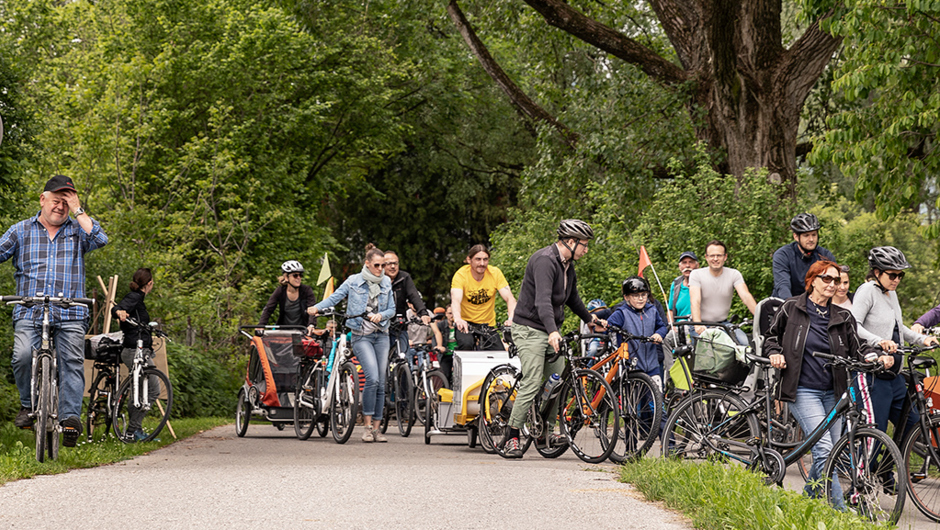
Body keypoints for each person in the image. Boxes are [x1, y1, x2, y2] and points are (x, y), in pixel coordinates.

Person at [0, 175, 108, 446]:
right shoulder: (20, 230)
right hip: (29, 311)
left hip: (70, 312)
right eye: (56, 200)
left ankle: (70, 419)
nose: (60, 206)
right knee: (23, 356)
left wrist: (78, 209)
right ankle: (28, 405)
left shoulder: (77, 231)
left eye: (66, 201)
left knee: (72, 362)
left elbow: (101, 238)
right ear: (42, 199)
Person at [765, 260, 879, 504]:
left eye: (836, 280)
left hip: (834, 393)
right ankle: (839, 513)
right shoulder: (791, 308)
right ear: (812, 281)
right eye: (826, 278)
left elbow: (857, 347)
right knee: (825, 451)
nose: (833, 284)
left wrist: (874, 355)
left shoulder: (843, 316)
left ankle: (804, 503)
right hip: (802, 390)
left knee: (830, 454)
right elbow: (771, 337)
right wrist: (775, 353)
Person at [503, 219, 604, 458]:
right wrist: (552, 331)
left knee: (556, 380)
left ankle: (543, 431)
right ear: (571, 242)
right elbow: (543, 301)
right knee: (534, 378)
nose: (586, 250)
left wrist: (590, 319)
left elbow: (573, 298)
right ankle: (512, 435)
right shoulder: (544, 261)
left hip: (549, 329)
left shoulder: (567, 265)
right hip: (529, 329)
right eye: (584, 245)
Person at [852, 246, 938, 443]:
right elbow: (853, 326)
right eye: (892, 275)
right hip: (875, 376)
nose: (897, 280)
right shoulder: (867, 291)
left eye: (901, 275)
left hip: (895, 375)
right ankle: (870, 472)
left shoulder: (892, 294)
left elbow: (900, 328)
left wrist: (922, 339)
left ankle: (888, 469)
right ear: (877, 272)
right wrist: (879, 341)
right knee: (877, 434)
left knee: (912, 425)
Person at [310, 244, 395, 443]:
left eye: (383, 266)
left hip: (382, 334)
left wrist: (381, 315)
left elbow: (391, 309)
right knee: (372, 378)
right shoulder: (353, 281)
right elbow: (334, 298)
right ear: (367, 264)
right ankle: (365, 427)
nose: (380, 270)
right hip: (361, 335)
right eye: (377, 265)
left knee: (382, 382)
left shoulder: (387, 283)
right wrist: (316, 308)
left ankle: (376, 428)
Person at [111, 268, 162, 442]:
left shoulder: (139, 299)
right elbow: (118, 308)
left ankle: (135, 431)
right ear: (150, 283)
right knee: (153, 389)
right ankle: (133, 431)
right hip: (135, 351)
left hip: (138, 350)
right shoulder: (135, 297)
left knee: (139, 392)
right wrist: (119, 312)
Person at [689, 240, 757, 345]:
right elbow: (695, 301)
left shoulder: (734, 274)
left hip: (724, 324)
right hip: (701, 324)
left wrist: (760, 317)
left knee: (744, 343)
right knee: (706, 351)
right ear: (706, 257)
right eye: (712, 256)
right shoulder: (696, 274)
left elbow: (746, 297)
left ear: (725, 257)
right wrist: (697, 325)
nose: (715, 259)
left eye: (719, 255)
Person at [450, 244, 516, 351]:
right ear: (469, 260)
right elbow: (456, 300)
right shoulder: (461, 275)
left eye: (485, 259)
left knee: (499, 353)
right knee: (466, 344)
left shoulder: (495, 273)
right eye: (478, 259)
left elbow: (510, 298)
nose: (482, 263)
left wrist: (511, 318)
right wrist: (458, 319)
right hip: (466, 323)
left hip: (487, 324)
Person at [607, 277, 668, 390]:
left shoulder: (652, 310)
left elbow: (662, 326)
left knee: (656, 398)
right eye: (635, 296)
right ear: (626, 297)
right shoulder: (622, 313)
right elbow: (609, 326)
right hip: (631, 365)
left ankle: (658, 408)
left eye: (643, 295)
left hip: (652, 363)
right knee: (635, 401)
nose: (640, 299)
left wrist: (659, 334)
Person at [772, 213, 837, 299]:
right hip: (787, 303)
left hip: (814, 304)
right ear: (796, 236)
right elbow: (783, 285)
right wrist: (790, 307)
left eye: (814, 235)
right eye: (806, 235)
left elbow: (836, 282)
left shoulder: (825, 255)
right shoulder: (783, 255)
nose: (811, 239)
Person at [384, 250, 430, 356]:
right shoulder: (378, 279)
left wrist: (423, 313)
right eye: (389, 263)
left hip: (400, 325)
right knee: (383, 361)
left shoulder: (404, 277)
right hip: (381, 327)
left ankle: (404, 370)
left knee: (405, 358)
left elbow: (414, 295)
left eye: (395, 263)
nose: (392, 267)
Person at [258, 260, 318, 335]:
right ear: (286, 277)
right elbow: (268, 309)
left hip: (302, 331)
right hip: (283, 331)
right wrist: (261, 325)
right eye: (295, 275)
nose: (298, 278)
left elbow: (312, 309)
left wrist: (311, 325)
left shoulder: (306, 290)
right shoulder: (280, 291)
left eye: (300, 275)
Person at [666, 251, 699, 323]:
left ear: (697, 265)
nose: (687, 266)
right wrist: (672, 326)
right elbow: (670, 310)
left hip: (699, 326)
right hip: (679, 327)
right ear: (679, 266)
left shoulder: (703, 283)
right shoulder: (675, 284)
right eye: (684, 263)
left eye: (691, 262)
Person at [430, 305, 457, 381]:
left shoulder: (460, 325)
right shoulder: (441, 325)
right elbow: (435, 337)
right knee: (445, 375)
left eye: (454, 313)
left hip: (458, 355)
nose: (452, 315)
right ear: (446, 314)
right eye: (450, 313)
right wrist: (438, 347)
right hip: (446, 354)